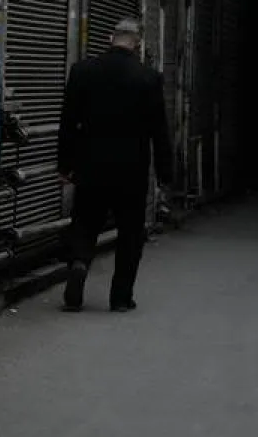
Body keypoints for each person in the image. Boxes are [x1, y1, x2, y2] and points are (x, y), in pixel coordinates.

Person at [56, 17, 172, 312]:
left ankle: (80, 262)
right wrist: (165, 172)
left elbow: (68, 123)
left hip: (90, 165)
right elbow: (159, 130)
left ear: (111, 37)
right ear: (137, 43)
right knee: (131, 233)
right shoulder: (149, 78)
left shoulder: (82, 72)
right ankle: (120, 297)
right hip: (131, 170)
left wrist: (65, 164)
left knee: (84, 221)